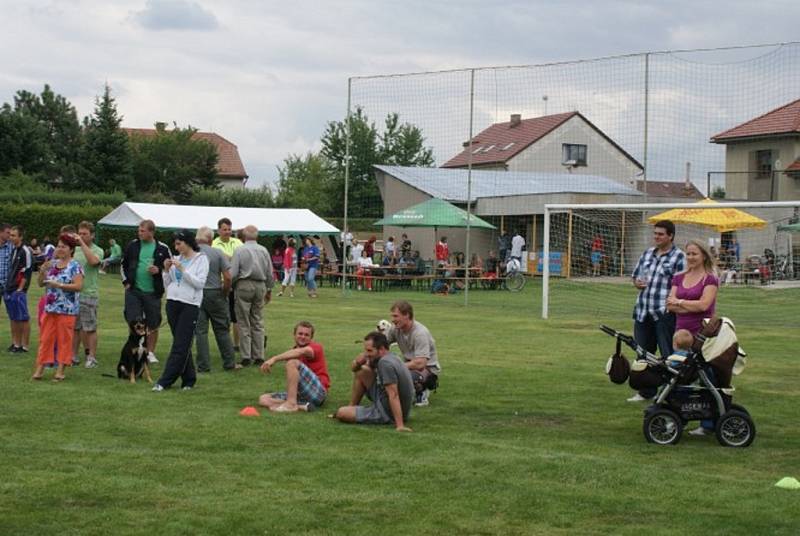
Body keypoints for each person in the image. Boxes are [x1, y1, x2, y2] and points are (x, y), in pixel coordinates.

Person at [629, 220, 686, 402]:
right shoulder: (647, 254)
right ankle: (646, 391)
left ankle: (670, 392)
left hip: (664, 313)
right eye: (655, 234)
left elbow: (683, 285)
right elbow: (636, 276)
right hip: (643, 311)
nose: (657, 237)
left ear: (670, 236)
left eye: (661, 234)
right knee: (643, 354)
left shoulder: (679, 257)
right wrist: (637, 282)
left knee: (668, 355)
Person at [152, 230, 209, 392]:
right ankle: (189, 379)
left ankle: (165, 381)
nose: (176, 248)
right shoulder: (176, 259)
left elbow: (199, 283)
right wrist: (165, 270)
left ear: (188, 243)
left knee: (180, 344)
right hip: (173, 303)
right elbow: (169, 283)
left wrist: (183, 270)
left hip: (190, 304)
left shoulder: (201, 259)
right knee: (181, 343)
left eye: (179, 244)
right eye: (175, 244)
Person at [334, 331, 414, 432]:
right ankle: (352, 406)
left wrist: (400, 425)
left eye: (369, 350)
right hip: (386, 400)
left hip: (387, 413)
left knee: (341, 413)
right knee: (362, 371)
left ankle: (353, 410)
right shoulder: (390, 356)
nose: (366, 354)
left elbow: (393, 394)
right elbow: (355, 369)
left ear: (381, 349)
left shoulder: (385, 364)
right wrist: (358, 362)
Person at [31, 234, 83, 382]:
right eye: (59, 246)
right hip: (50, 308)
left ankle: (60, 371)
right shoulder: (52, 264)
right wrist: (42, 271)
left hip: (67, 310)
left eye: (63, 247)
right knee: (45, 338)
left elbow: (79, 286)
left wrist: (59, 285)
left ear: (71, 249)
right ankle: (40, 368)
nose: (60, 249)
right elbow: (41, 284)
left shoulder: (75, 266)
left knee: (64, 340)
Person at [121, 219, 171, 364]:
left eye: (142, 231)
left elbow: (170, 268)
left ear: (151, 232)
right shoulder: (132, 245)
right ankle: (134, 349)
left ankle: (150, 352)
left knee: (153, 322)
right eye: (139, 230)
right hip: (134, 291)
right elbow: (123, 264)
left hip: (153, 292)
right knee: (133, 321)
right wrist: (126, 283)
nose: (139, 233)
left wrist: (159, 270)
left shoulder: (163, 248)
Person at [258, 320, 331, 413]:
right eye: (300, 334)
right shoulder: (293, 351)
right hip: (301, 394)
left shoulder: (315, 348)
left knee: (292, 363)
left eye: (306, 335)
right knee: (264, 399)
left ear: (311, 338)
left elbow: (302, 351)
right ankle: (302, 406)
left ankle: (291, 404)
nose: (303, 337)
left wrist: (274, 358)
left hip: (318, 392)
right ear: (294, 335)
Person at [194, 227, 238, 373]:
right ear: (210, 239)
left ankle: (203, 366)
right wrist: (224, 292)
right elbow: (228, 277)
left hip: (196, 293)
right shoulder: (217, 252)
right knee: (222, 329)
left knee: (200, 331)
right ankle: (229, 363)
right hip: (215, 293)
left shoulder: (190, 252)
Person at [230, 225, 273, 367]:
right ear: (257, 236)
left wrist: (232, 286)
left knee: (243, 321)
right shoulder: (264, 250)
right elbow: (269, 272)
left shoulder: (239, 250)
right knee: (258, 320)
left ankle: (246, 356)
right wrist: (269, 289)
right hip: (260, 285)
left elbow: (234, 273)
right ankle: (259, 355)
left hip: (244, 285)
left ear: (244, 236)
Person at [384, 300, 441, 407]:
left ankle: (422, 391)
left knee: (399, 375)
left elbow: (420, 363)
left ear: (407, 315)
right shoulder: (395, 329)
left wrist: (396, 366)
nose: (393, 320)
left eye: (396, 316)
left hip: (427, 369)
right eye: (392, 316)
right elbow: (382, 344)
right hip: (410, 365)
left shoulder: (420, 333)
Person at [71, 221, 104, 368]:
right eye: (80, 233)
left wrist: (82, 244)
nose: (81, 236)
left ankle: (91, 357)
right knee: (75, 328)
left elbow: (93, 262)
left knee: (89, 327)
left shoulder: (98, 250)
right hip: (74, 293)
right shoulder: (75, 250)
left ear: (92, 235)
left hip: (89, 294)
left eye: (85, 234)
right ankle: (73, 355)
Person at [213, 218, 244, 352]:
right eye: (224, 229)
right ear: (219, 230)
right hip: (222, 284)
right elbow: (219, 260)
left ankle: (237, 345)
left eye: (229, 229)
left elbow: (242, 259)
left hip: (237, 284)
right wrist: (233, 258)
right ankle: (227, 344)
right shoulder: (214, 244)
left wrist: (228, 257)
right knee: (224, 316)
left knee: (237, 316)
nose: (227, 232)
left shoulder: (238, 242)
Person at [5, 225, 33, 353]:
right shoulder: (14, 250)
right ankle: (16, 344)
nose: (11, 238)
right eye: (10, 235)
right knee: (13, 317)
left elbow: (27, 271)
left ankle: (25, 345)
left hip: (18, 290)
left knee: (23, 318)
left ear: (20, 237)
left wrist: (20, 289)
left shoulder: (25, 251)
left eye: (13, 235)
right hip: (9, 288)